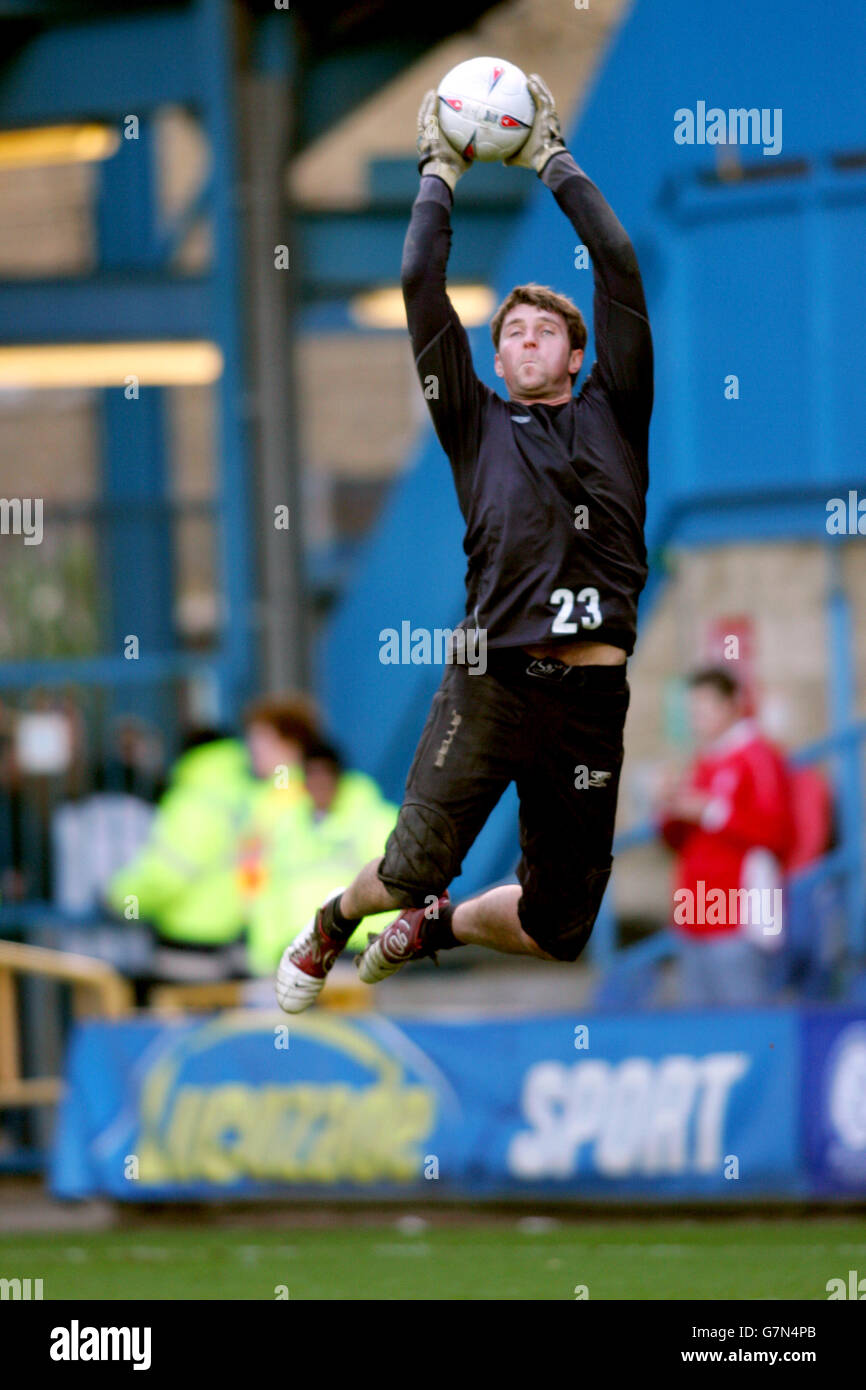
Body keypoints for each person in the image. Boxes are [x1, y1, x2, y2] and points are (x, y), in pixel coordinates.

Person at [276, 75, 653, 1013]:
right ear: (494, 363)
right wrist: (438, 169)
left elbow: (615, 261)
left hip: (591, 698)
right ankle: (332, 922)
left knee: (558, 929)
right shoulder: (475, 425)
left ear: (577, 354)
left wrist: (550, 159)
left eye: (546, 331)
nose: (526, 340)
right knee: (407, 869)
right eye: (511, 332)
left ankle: (437, 927)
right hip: (492, 682)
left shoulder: (617, 409)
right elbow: (417, 282)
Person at [656, 667, 795, 1006]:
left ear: (732, 704)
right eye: (692, 712)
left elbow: (778, 834)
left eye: (705, 709)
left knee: (744, 1023)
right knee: (704, 1032)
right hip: (695, 916)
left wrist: (711, 811)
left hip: (738, 920)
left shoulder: (758, 756)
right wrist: (669, 807)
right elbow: (678, 842)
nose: (697, 719)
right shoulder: (703, 761)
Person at [106, 727, 255, 981]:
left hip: (190, 947)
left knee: (186, 1020)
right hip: (245, 944)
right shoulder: (251, 794)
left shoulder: (192, 801)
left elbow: (166, 876)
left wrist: (121, 898)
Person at [245, 740, 398, 975]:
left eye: (325, 779)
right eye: (312, 779)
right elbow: (268, 893)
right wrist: (265, 957)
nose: (319, 787)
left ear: (339, 781)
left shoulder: (375, 823)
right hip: (295, 954)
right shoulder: (284, 828)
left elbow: (394, 889)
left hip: (353, 955)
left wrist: (380, 949)